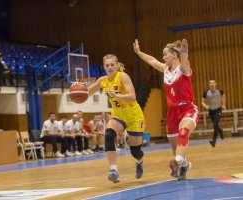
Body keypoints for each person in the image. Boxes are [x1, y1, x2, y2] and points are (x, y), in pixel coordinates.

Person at [133, 39, 199, 180]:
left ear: (174, 55)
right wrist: (138, 52)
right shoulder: (165, 69)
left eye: (165, 54)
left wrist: (185, 53)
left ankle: (179, 162)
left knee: (184, 131)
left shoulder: (182, 69)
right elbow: (151, 60)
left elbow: (185, 62)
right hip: (172, 112)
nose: (163, 58)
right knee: (175, 149)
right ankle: (184, 164)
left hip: (187, 108)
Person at [75, 53, 146, 183]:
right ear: (104, 67)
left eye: (112, 64)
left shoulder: (123, 76)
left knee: (135, 151)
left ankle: (139, 161)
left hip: (134, 115)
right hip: (118, 114)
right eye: (107, 65)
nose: (110, 67)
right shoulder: (102, 80)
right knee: (108, 134)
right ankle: (113, 170)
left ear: (117, 65)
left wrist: (117, 96)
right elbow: (87, 92)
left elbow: (132, 97)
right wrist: (77, 93)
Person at [202, 79, 226, 147]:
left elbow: (223, 96)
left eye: (213, 83)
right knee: (216, 125)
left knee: (215, 124)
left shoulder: (220, 91)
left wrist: (223, 104)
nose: (212, 84)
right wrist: (205, 106)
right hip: (211, 111)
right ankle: (220, 131)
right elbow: (202, 101)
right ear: (209, 85)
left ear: (215, 83)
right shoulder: (206, 92)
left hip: (218, 110)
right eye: (210, 83)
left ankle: (214, 141)